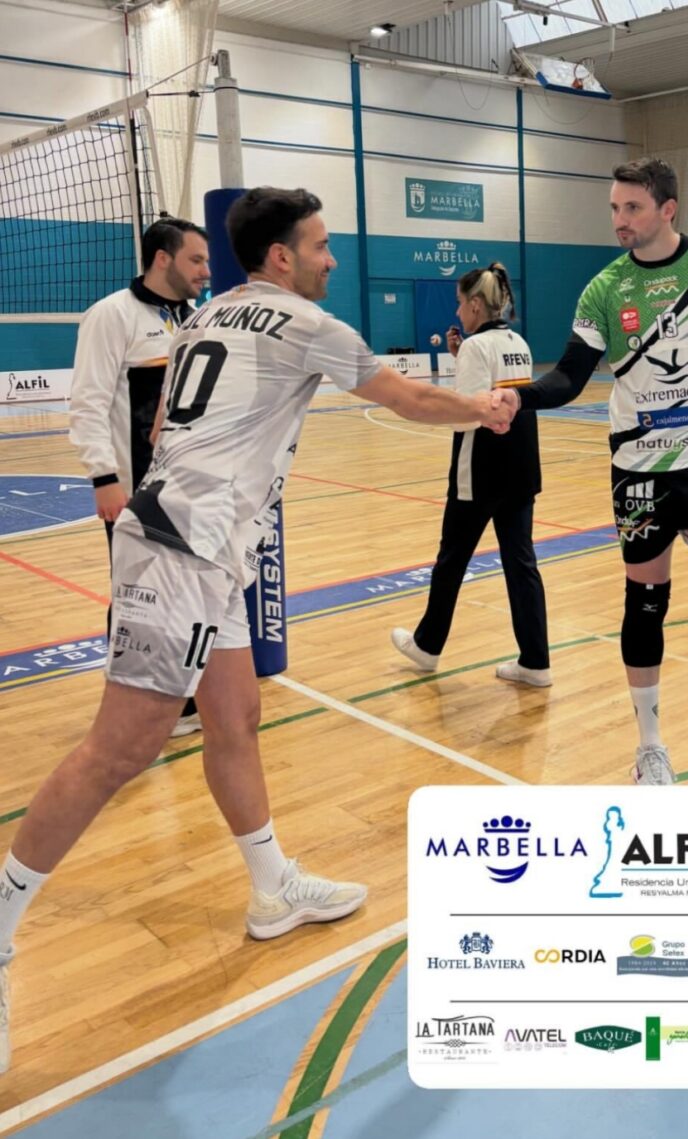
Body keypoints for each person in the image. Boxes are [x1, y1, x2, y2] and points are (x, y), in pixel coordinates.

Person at [0, 187, 514, 1073]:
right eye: (320, 245)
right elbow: (402, 398)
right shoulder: (307, 324)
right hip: (182, 550)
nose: (331, 259)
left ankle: (273, 888)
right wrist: (483, 408)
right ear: (281, 255)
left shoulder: (206, 316)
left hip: (208, 546)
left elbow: (164, 424)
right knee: (118, 750)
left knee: (235, 716)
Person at [502, 157, 688, 786]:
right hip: (639, 470)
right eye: (614, 208)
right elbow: (569, 377)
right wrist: (518, 398)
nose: (619, 220)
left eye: (631, 207)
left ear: (667, 209)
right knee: (645, 604)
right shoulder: (604, 289)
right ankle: (651, 747)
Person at [70, 217, 210, 739]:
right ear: (162, 259)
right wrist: (103, 478)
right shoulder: (111, 315)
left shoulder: (195, 318)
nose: (205, 270)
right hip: (135, 491)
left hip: (190, 489)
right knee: (137, 598)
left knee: (185, 594)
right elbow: (88, 402)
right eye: (196, 260)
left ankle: (180, 700)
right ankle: (131, 712)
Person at [391, 262, 550, 686]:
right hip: (520, 467)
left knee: (452, 559)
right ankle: (536, 660)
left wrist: (436, 406)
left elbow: (467, 416)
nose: (458, 311)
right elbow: (497, 391)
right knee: (521, 563)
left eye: (461, 303)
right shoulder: (517, 342)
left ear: (476, 305)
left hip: (480, 470)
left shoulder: (477, 347)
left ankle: (427, 646)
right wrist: (461, 358)